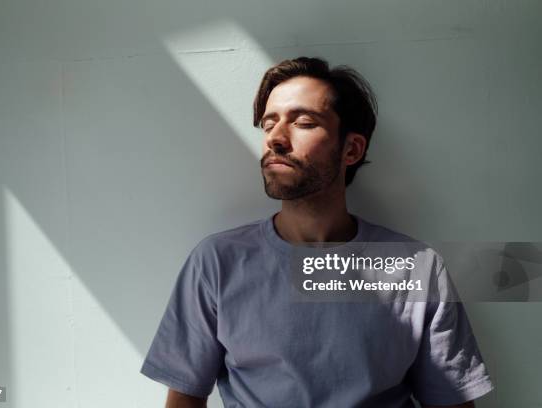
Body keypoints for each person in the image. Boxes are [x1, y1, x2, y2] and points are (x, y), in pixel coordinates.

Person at [140, 57, 494, 407]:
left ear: (351, 149)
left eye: (304, 122)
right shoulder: (217, 262)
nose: (276, 139)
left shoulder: (417, 268)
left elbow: (451, 401)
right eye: (268, 124)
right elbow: (185, 397)